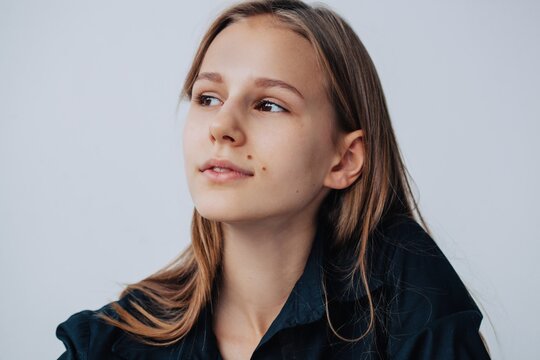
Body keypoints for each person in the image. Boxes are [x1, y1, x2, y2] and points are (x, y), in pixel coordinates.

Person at [55, 0, 491, 359]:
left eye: (269, 105)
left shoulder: (412, 309)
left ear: (344, 160)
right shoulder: (105, 345)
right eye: (208, 98)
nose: (221, 126)